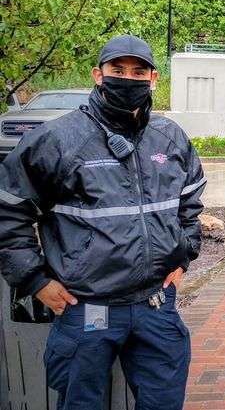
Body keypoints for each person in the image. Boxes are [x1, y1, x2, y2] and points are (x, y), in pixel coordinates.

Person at [0, 34, 205, 409]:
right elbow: (8, 209)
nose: (128, 78)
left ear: (153, 78)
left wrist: (184, 252)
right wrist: (34, 279)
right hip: (87, 310)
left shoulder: (169, 137)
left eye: (138, 71)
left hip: (156, 307)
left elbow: (191, 201)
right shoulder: (59, 139)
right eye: (117, 70)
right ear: (98, 74)